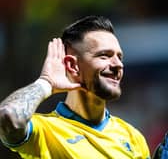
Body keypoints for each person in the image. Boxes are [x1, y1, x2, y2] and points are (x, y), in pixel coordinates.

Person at [0, 16, 151, 159]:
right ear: (73, 66)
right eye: (104, 55)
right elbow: (7, 116)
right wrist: (45, 82)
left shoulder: (132, 137)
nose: (118, 64)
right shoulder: (46, 131)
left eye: (119, 57)